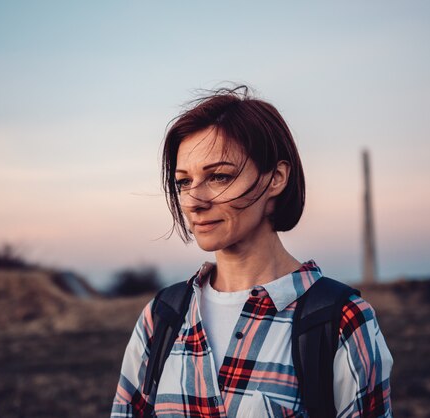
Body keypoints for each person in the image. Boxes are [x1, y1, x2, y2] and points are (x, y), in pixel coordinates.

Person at [111, 86, 393, 417]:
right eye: (183, 182)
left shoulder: (341, 322)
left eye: (218, 176)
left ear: (276, 178)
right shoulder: (161, 318)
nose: (194, 201)